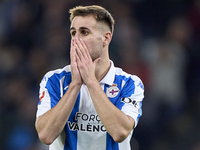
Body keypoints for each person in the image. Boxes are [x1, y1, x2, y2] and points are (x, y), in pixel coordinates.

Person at [35, 5, 144, 150]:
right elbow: (45, 135)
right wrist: (75, 84)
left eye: (84, 32)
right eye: (73, 33)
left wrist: (91, 81)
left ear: (106, 38)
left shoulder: (130, 83)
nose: (76, 40)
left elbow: (120, 132)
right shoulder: (54, 80)